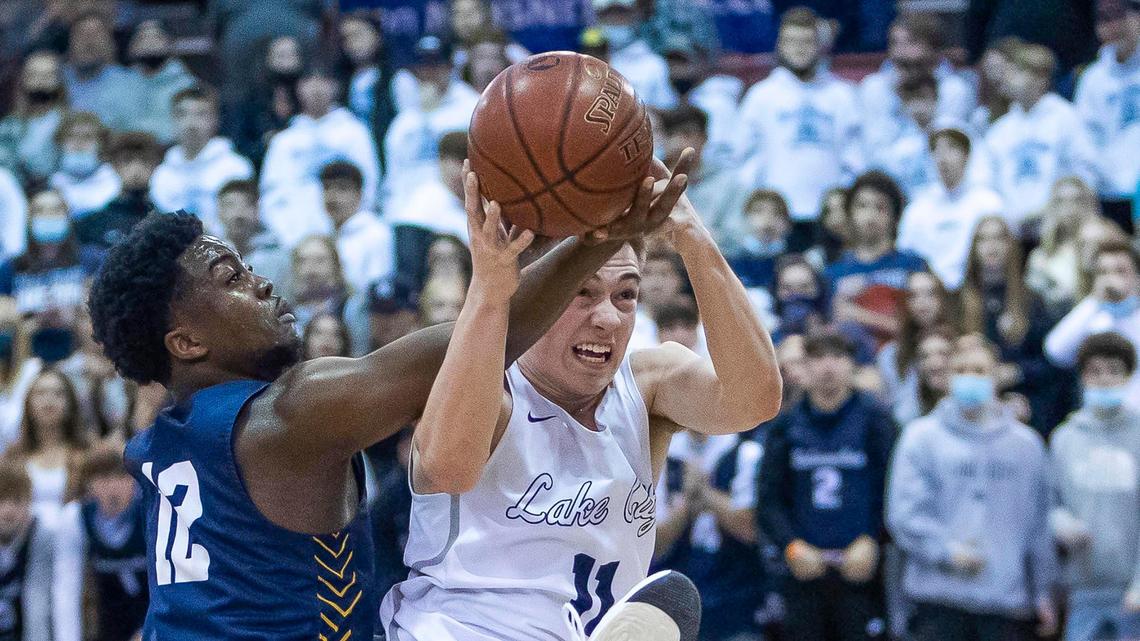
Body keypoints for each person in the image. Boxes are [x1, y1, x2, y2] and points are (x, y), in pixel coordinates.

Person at [84, 149, 692, 638]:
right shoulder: (288, 414)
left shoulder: (165, 440)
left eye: (246, 267)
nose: (262, 282)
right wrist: (597, 239)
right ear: (187, 343)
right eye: (231, 280)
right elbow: (465, 353)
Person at [380, 156, 779, 640]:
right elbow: (447, 470)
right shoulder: (491, 391)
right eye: (582, 293)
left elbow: (754, 400)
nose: (609, 318)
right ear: (536, 294)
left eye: (626, 295)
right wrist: (490, 293)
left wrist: (691, 235)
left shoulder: (650, 385)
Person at [887, 334, 1058, 641]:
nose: (970, 378)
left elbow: (1039, 524)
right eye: (961, 370)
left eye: (979, 371)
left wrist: (1043, 591)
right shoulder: (920, 437)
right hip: (938, 600)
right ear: (948, 378)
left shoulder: (1026, 446)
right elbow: (903, 513)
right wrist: (946, 551)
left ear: (996, 377)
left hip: (1005, 602)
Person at [756, 328, 894, 641]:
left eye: (838, 357)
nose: (828, 367)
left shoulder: (876, 419)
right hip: (804, 570)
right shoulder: (786, 425)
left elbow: (891, 492)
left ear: (853, 365)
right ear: (804, 367)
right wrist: (790, 544)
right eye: (818, 358)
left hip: (862, 571)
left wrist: (874, 539)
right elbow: (769, 499)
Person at [735, 6, 863, 235]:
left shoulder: (843, 95)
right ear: (780, 46)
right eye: (791, 41)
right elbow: (745, 157)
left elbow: (854, 156)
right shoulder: (761, 95)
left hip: (830, 216)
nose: (799, 49)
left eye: (806, 41)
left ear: (819, 45)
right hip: (776, 217)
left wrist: (844, 199)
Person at [1050, 332, 1140, 641]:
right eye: (1095, 371)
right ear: (1083, 376)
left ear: (1128, 377)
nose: (1104, 380)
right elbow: (1050, 502)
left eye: (1114, 371)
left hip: (1131, 589)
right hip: (1082, 588)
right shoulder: (1065, 438)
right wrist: (1060, 523)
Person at [958, 216, 1072, 433]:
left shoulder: (1032, 301)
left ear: (1011, 246)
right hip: (968, 398)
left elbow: (1052, 362)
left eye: (999, 238)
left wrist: (1018, 372)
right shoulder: (957, 301)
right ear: (973, 249)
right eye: (983, 239)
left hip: (1023, 399)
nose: (991, 245)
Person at [260, 67, 380, 248]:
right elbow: (271, 196)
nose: (316, 88)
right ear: (299, 87)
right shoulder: (284, 141)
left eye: (324, 80)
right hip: (294, 239)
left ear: (335, 86)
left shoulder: (355, 132)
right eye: (309, 81)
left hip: (350, 238)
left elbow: (369, 186)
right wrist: (289, 236)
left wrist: (349, 231)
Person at [984, 43, 1098, 232]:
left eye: (1017, 71)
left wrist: (1058, 209)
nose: (1008, 78)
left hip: (1060, 227)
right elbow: (990, 185)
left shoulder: (1065, 117)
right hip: (1014, 232)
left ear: (1040, 79)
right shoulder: (999, 130)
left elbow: (1084, 173)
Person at [53, 444, 148, 641]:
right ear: (88, 484)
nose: (113, 487)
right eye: (104, 478)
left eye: (122, 477)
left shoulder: (151, 512)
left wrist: (150, 630)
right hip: (108, 625)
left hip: (152, 621)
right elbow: (67, 588)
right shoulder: (75, 517)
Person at [825, 171, 927, 346]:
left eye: (880, 207)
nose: (870, 216)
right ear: (849, 213)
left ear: (895, 217)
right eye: (862, 206)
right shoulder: (833, 273)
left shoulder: (913, 265)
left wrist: (857, 314)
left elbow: (924, 327)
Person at [896, 127, 1004, 290]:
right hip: (931, 296)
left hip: (977, 291)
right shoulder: (917, 209)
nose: (943, 158)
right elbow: (906, 258)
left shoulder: (989, 203)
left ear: (967, 155)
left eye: (951, 148)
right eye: (935, 150)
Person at [382, 36, 479, 212]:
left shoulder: (471, 106)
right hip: (407, 211)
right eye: (423, 65)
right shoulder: (405, 119)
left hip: (455, 209)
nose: (429, 71)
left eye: (436, 64)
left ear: (450, 66)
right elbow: (393, 176)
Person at [858, 13, 976, 151]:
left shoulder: (954, 89)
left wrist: (926, 125)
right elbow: (876, 148)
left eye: (911, 42)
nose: (899, 53)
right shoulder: (876, 87)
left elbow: (947, 151)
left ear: (933, 48)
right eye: (894, 43)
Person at [1046, 239, 1140, 411]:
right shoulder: (1089, 316)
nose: (1111, 279)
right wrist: (1095, 300)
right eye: (1103, 272)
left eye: (1120, 271)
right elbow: (1055, 351)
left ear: (1136, 276)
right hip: (1096, 419)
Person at [150, 86, 255, 236]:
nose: (190, 123)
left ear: (215, 120)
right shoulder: (161, 174)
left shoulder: (236, 167)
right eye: (182, 114)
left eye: (200, 114)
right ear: (172, 120)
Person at [1075, 0, 1140, 203]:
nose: (1113, 26)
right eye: (1104, 19)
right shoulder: (1092, 79)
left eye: (1120, 16)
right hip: (1110, 192)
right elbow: (1086, 140)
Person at [660, 105, 748, 255]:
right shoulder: (651, 179)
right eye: (671, 134)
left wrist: (693, 235)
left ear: (704, 138)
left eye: (686, 134)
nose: (678, 141)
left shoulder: (728, 183)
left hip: (710, 259)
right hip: (659, 263)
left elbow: (736, 237)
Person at [5, 368, 88, 519]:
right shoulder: (13, 456)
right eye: (41, 393)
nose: (49, 400)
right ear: (28, 403)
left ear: (71, 403)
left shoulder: (86, 454)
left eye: (58, 394)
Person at [876, 271, 954, 425]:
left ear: (943, 299)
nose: (922, 302)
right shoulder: (890, 355)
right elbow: (898, 413)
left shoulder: (962, 346)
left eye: (930, 294)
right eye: (913, 295)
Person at [73, 132, 163, 257]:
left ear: (155, 166)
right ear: (114, 166)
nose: (136, 169)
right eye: (127, 160)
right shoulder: (90, 225)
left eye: (144, 160)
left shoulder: (168, 225)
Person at [1026, 177, 1104, 318]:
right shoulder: (1040, 257)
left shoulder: (1105, 248)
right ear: (1052, 207)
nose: (1070, 208)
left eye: (1077, 200)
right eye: (1061, 201)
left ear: (1089, 204)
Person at [61, 12, 145, 133]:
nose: (88, 42)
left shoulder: (129, 82)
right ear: (70, 42)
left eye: (96, 35)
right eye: (82, 35)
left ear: (109, 43)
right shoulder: (55, 79)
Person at [318, 161, 394, 294]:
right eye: (327, 188)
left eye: (342, 189)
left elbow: (377, 287)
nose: (332, 197)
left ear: (359, 194)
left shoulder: (375, 233)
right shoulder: (321, 234)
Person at [0, 459, 54, 641]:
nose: (8, 510)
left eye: (16, 500)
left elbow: (37, 605)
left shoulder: (39, 535)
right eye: (1, 500)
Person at [389, 130, 470, 245]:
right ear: (441, 162)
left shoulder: (469, 201)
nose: (460, 171)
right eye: (457, 163)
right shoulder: (427, 198)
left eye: (465, 164)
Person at [0, 50, 68, 186]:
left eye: (48, 75)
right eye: (34, 75)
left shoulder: (69, 123)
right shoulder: (9, 126)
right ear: (23, 79)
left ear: (59, 80)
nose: (40, 81)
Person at [592, 0, 676, 110]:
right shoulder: (588, 58)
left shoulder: (654, 64)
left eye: (621, 13)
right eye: (608, 14)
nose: (615, 19)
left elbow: (666, 108)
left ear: (636, 14)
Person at [127, 20, 198, 145]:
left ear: (170, 44)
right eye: (142, 38)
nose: (150, 43)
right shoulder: (122, 83)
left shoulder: (187, 85)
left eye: (157, 37)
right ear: (132, 48)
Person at [214, 179, 290, 293]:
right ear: (219, 211)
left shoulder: (278, 257)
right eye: (230, 205)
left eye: (246, 205)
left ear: (257, 210)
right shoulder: (211, 257)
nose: (238, 214)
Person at [48, 112, 119, 219]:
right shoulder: (51, 184)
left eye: (87, 137)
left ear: (101, 144)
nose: (79, 144)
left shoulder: (117, 182)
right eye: (71, 137)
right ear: (60, 143)